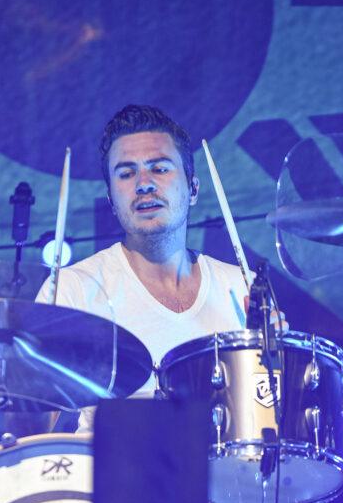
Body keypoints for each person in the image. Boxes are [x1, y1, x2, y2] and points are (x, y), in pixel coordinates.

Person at [36, 104, 248, 411]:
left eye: (159, 169)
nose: (144, 184)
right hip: (111, 445)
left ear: (193, 189)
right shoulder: (72, 290)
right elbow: (30, 429)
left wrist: (277, 362)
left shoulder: (242, 288)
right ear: (111, 199)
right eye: (126, 173)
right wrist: (26, 368)